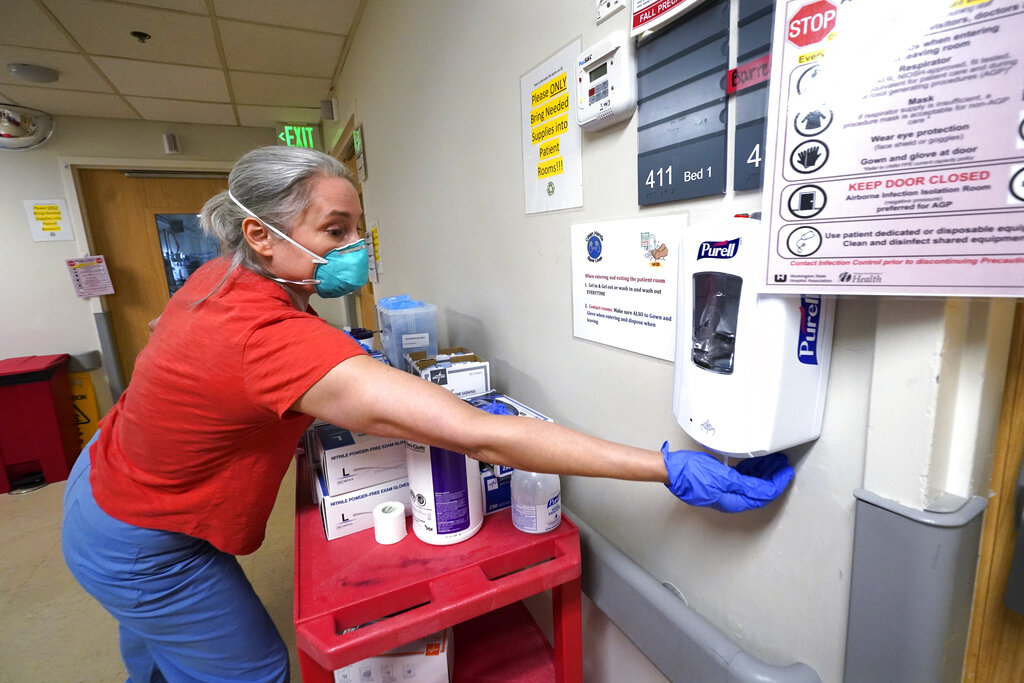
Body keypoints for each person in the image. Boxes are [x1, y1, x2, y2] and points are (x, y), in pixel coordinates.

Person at [61, 145, 793, 682]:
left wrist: (307, 360)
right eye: (335, 231)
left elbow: (169, 339)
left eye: (358, 229)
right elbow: (473, 431)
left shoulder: (223, 275)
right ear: (261, 234)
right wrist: (663, 466)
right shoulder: (266, 335)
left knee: (157, 660)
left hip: (101, 478)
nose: (357, 251)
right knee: (252, 671)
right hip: (145, 537)